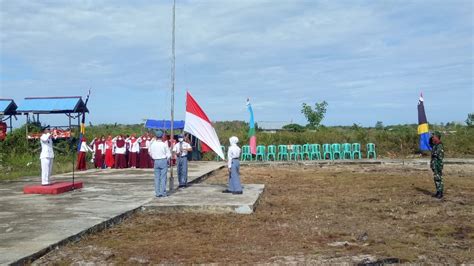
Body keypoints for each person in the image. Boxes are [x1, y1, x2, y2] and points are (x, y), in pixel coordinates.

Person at [148, 131, 171, 197]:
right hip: (163, 160)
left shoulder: (153, 144)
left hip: (156, 161)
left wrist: (153, 157)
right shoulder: (164, 144)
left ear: (156, 136)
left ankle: (157, 192)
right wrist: (166, 160)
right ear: (162, 136)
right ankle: (163, 192)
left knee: (157, 177)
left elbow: (150, 152)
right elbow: (168, 154)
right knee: (163, 177)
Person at [430, 131, 445, 199]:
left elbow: (436, 154)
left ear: (437, 137)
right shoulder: (435, 144)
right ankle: (438, 191)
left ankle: (440, 193)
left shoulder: (439, 145)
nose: (432, 137)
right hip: (435, 164)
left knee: (438, 178)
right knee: (436, 178)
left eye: (434, 136)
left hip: (438, 164)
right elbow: (430, 143)